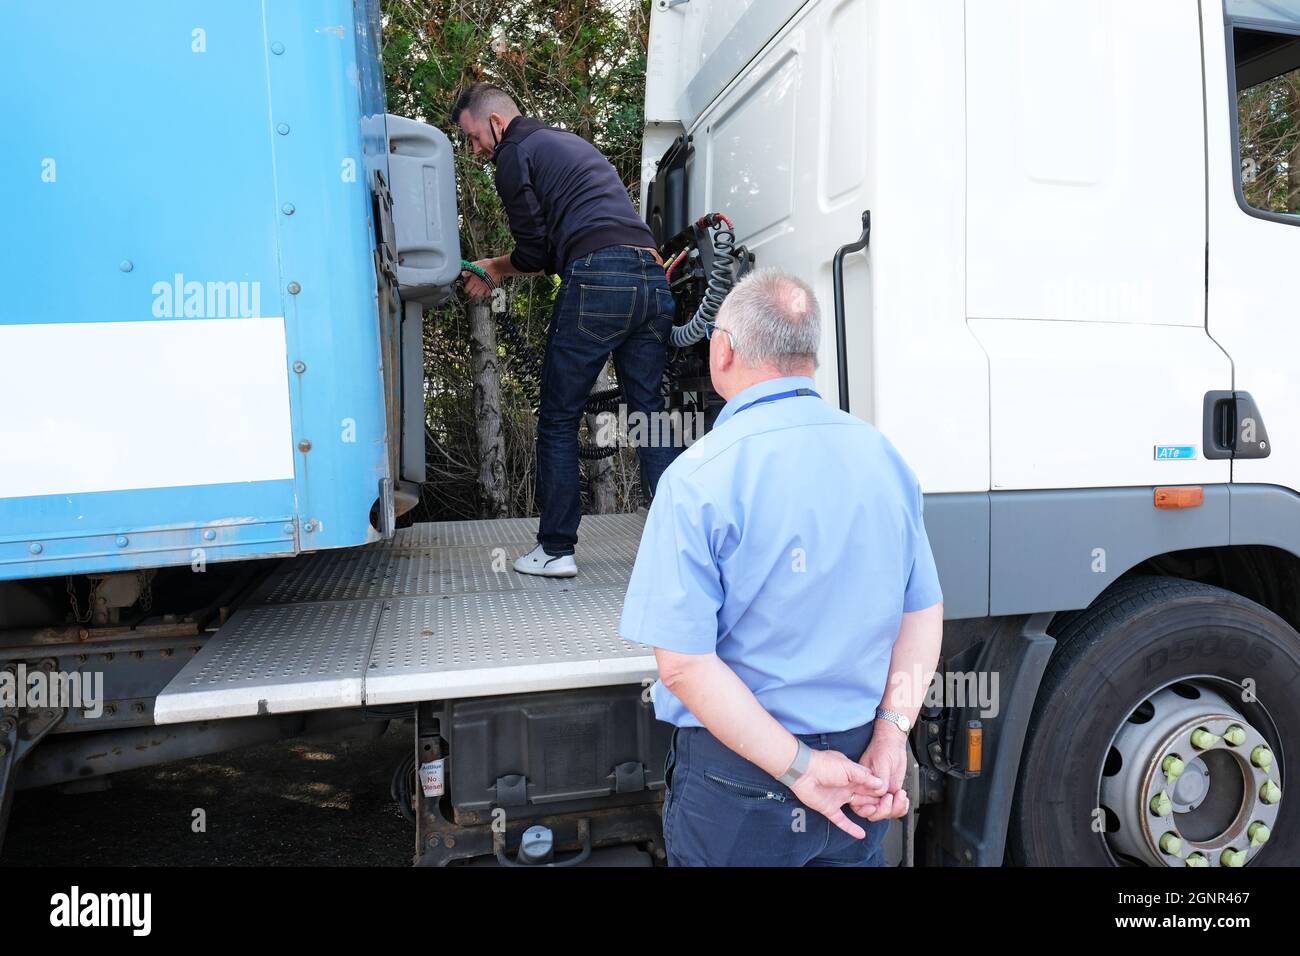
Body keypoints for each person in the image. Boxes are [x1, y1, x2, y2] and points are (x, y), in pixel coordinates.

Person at [619, 269, 945, 866]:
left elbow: (685, 665)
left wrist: (802, 768)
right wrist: (891, 733)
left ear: (722, 351)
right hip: (861, 771)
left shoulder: (697, 477)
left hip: (741, 781)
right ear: (810, 357)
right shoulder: (885, 459)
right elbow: (922, 613)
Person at [452, 82, 677, 578]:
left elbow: (536, 252)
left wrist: (494, 267)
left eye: (473, 138)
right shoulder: (569, 144)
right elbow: (556, 249)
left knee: (558, 416)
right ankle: (679, 547)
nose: (474, 151)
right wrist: (501, 267)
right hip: (651, 275)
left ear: (495, 123)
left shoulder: (514, 152)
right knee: (651, 415)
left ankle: (555, 550)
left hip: (599, 279)